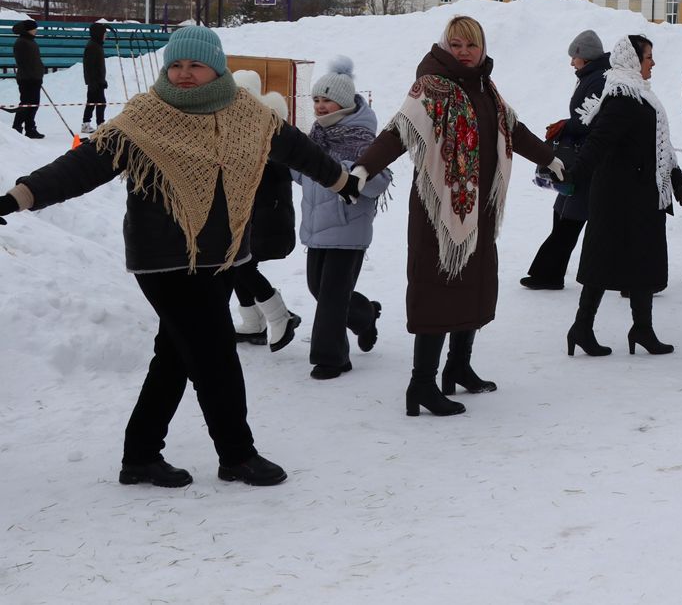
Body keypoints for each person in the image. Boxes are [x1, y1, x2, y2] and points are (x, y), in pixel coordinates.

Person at [0, 25, 359, 487]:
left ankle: (141, 455)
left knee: (173, 356)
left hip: (222, 256)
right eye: (176, 64)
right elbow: (82, 166)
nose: (184, 74)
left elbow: (297, 149)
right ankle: (237, 454)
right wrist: (18, 197)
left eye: (195, 64)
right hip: (164, 260)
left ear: (217, 67)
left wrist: (341, 182)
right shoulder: (145, 117)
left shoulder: (247, 113)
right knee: (214, 356)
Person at [355, 15, 556, 417]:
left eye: (471, 45)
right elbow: (398, 132)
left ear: (482, 49)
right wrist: (364, 167)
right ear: (445, 47)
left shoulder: (486, 88)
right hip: (438, 210)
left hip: (478, 207)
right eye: (456, 45)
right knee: (437, 290)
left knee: (474, 285)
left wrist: (551, 159)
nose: (464, 53)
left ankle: (459, 367)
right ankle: (422, 385)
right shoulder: (430, 87)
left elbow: (513, 130)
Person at [563, 35, 682, 357]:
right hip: (618, 197)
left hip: (640, 194)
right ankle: (582, 327)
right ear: (634, 60)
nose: (653, 63)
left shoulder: (641, 96)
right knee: (603, 263)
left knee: (642, 262)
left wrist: (678, 181)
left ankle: (642, 329)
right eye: (649, 56)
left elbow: (658, 147)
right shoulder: (623, 97)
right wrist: (573, 175)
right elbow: (598, 142)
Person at [298, 57, 392, 380]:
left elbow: (381, 181)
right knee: (317, 289)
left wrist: (356, 175)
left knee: (331, 298)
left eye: (327, 100)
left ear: (344, 102)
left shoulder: (362, 139)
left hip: (348, 231)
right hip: (316, 230)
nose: (320, 106)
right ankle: (365, 315)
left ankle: (332, 357)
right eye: (317, 100)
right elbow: (305, 177)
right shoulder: (315, 137)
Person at [222, 69, 304, 353]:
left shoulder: (264, 130)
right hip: (254, 214)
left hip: (264, 216)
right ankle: (253, 323)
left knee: (239, 263)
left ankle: (279, 315)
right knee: (238, 264)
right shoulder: (245, 129)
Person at [522, 30, 609, 290]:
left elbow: (590, 121)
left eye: (575, 57)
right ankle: (550, 273)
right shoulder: (590, 77)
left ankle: (547, 275)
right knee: (562, 212)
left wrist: (565, 125)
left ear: (586, 56)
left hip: (587, 160)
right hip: (582, 158)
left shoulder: (597, 80)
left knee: (570, 218)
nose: (572, 62)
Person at [11, 19, 44, 138]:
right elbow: (24, 62)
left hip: (34, 77)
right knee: (26, 104)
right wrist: (33, 74)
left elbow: (35, 61)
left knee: (34, 104)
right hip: (27, 79)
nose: (35, 31)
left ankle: (30, 128)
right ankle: (17, 128)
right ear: (28, 30)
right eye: (34, 29)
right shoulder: (21, 42)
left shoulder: (31, 41)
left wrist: (39, 72)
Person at [81, 21, 108, 134]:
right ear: (98, 34)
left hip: (98, 80)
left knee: (93, 101)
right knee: (100, 102)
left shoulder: (97, 45)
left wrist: (102, 79)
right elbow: (90, 66)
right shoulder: (92, 47)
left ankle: (87, 123)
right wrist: (93, 82)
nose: (106, 36)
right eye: (104, 34)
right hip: (95, 82)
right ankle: (99, 124)